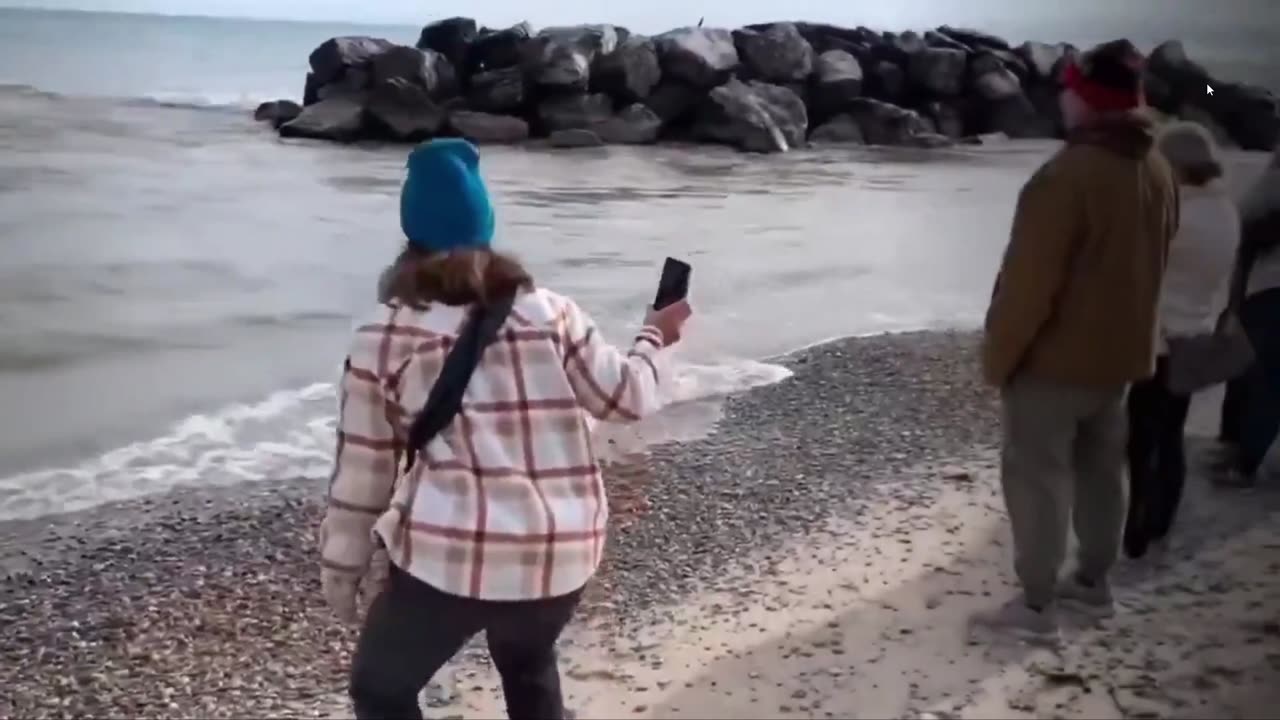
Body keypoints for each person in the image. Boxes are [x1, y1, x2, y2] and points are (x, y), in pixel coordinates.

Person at [318, 138, 692, 720]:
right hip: (562, 551)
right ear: (485, 229)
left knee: (380, 689)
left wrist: (342, 569)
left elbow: (365, 472)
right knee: (526, 658)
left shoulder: (383, 334)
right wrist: (654, 337)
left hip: (450, 557)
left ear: (410, 238)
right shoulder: (552, 312)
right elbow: (629, 397)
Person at [977, 39, 1179, 641]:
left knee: (1036, 475)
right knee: (1100, 470)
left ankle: (1036, 607)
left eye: (1070, 88)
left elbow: (1027, 285)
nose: (1060, 96)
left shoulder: (1066, 176)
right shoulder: (1158, 167)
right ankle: (1094, 584)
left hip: (1055, 359)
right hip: (1120, 355)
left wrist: (998, 357)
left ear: (1089, 100)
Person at [1123, 122, 1240, 558]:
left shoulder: (1175, 214)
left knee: (1140, 439)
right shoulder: (1224, 210)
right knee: (1171, 435)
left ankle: (1137, 528)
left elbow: (1135, 264)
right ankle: (1161, 523)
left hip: (1160, 340)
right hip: (1197, 336)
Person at [1219, 146, 1280, 485]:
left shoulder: (1268, 188)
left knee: (1258, 376)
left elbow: (1242, 247)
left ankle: (1240, 456)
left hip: (1266, 294)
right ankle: (1242, 453)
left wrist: (1234, 306)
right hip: (1266, 293)